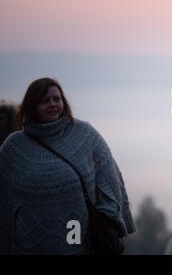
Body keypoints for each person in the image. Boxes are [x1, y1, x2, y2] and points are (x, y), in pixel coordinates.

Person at [0, 78, 135, 254]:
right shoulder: (13, 148)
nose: (53, 104)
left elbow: (109, 180)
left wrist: (111, 220)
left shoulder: (84, 135)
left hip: (81, 245)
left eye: (57, 99)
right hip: (28, 246)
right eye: (45, 100)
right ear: (31, 105)